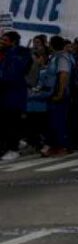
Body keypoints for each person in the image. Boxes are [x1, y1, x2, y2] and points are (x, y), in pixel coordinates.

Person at [37, 36, 73, 157]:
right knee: (52, 121)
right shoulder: (55, 57)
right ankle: (53, 145)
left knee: (59, 120)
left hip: (59, 93)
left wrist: (60, 93)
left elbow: (64, 75)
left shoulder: (62, 58)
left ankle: (63, 146)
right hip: (52, 92)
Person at [0, 31, 32, 161]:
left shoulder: (19, 54)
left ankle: (13, 148)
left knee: (12, 122)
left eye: (5, 40)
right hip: (5, 95)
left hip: (14, 95)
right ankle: (10, 145)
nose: (2, 42)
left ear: (13, 42)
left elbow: (13, 75)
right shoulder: (7, 54)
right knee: (5, 123)